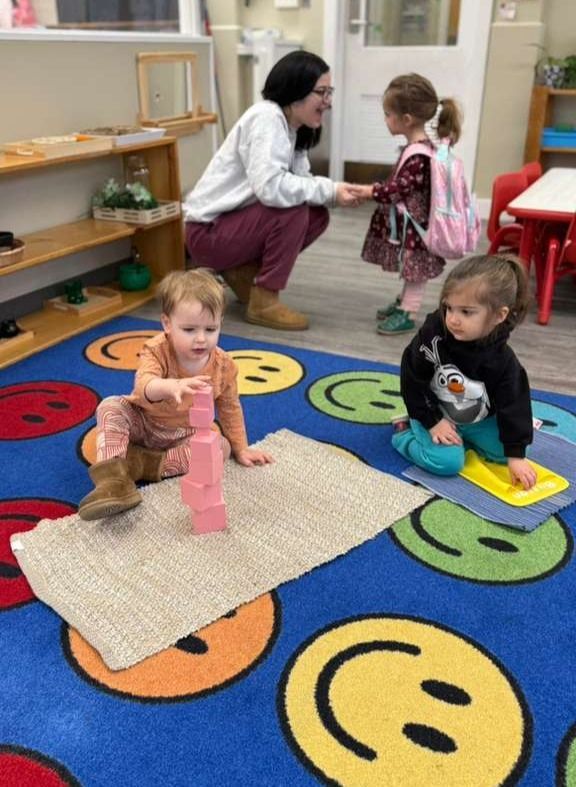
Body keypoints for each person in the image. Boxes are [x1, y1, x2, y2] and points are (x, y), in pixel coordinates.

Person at [183, 50, 360, 332]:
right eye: (321, 92)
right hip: (206, 233)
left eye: (330, 92)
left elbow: (300, 183)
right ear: (296, 89)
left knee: (316, 214)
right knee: (293, 211)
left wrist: (334, 193)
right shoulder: (267, 118)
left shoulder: (293, 126)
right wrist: (330, 189)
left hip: (228, 227)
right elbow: (271, 189)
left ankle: (242, 273)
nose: (328, 102)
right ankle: (264, 299)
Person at [78, 269, 273, 521]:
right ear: (167, 324)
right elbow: (143, 386)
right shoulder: (157, 349)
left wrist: (242, 448)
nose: (201, 339)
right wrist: (171, 386)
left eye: (211, 329)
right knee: (110, 406)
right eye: (189, 329)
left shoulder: (224, 365)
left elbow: (229, 407)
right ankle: (114, 482)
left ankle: (142, 464)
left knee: (219, 449)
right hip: (143, 421)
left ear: (220, 323)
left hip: (182, 435)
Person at [391, 254, 537, 491]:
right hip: (434, 411)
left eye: (466, 312)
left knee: (511, 452)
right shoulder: (432, 336)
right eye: (449, 308)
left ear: (499, 315)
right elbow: (412, 378)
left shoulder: (504, 362)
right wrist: (432, 422)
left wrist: (515, 456)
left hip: (476, 418)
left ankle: (464, 437)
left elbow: (515, 406)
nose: (453, 319)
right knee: (447, 462)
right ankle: (404, 432)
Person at [355, 73, 462, 335]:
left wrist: (369, 191)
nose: (385, 119)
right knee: (410, 267)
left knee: (415, 271)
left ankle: (409, 311)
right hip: (411, 226)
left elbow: (398, 190)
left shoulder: (419, 155)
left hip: (416, 228)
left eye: (388, 113)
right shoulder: (417, 149)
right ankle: (404, 303)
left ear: (406, 119)